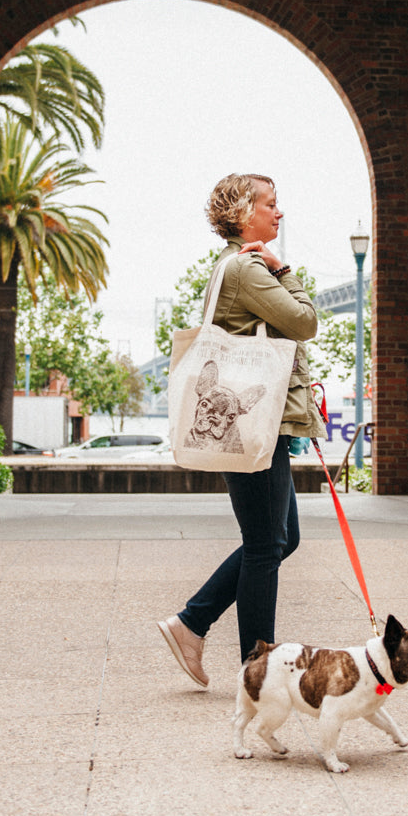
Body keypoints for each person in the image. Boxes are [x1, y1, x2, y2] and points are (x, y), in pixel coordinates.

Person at [158, 173, 325, 687]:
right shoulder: (249, 268)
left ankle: (193, 622)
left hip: (255, 423)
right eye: (270, 205)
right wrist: (287, 271)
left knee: (280, 537)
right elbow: (303, 322)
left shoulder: (235, 266)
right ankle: (258, 668)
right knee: (264, 544)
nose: (279, 214)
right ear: (242, 213)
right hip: (252, 425)